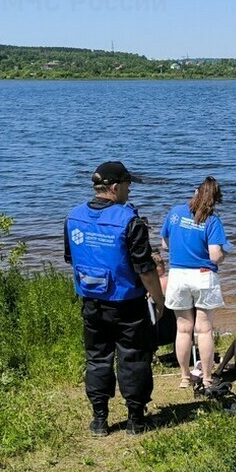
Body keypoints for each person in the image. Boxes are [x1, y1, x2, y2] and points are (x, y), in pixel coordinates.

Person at [64, 161, 164, 436]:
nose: (129, 192)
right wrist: (159, 300)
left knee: (97, 358)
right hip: (127, 304)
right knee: (133, 357)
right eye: (128, 186)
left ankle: (99, 419)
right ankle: (135, 419)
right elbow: (146, 270)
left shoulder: (73, 217)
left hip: (92, 304)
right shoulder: (130, 221)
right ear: (116, 187)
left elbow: (71, 259)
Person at [161, 176, 230, 389]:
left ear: (196, 192)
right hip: (202, 275)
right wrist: (224, 253)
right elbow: (215, 256)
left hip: (178, 275)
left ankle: (184, 377)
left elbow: (164, 244)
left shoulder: (175, 213)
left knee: (183, 329)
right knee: (204, 329)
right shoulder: (212, 221)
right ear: (215, 200)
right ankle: (207, 377)